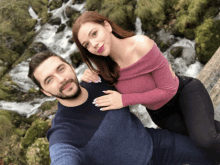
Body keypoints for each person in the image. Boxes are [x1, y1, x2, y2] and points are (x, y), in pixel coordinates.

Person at [72, 11, 220, 163]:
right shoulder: (104, 69)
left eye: (94, 34)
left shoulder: (141, 45)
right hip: (161, 115)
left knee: (206, 140)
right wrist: (86, 77)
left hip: (184, 93)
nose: (94, 44)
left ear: (107, 26)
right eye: (87, 45)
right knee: (200, 144)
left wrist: (124, 99)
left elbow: (168, 90)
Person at [28, 51, 217, 165]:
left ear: (70, 66)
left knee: (210, 152)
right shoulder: (63, 132)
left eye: (61, 69)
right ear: (45, 91)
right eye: (49, 80)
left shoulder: (98, 81)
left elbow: (142, 71)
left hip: (156, 145)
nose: (61, 79)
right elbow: (62, 157)